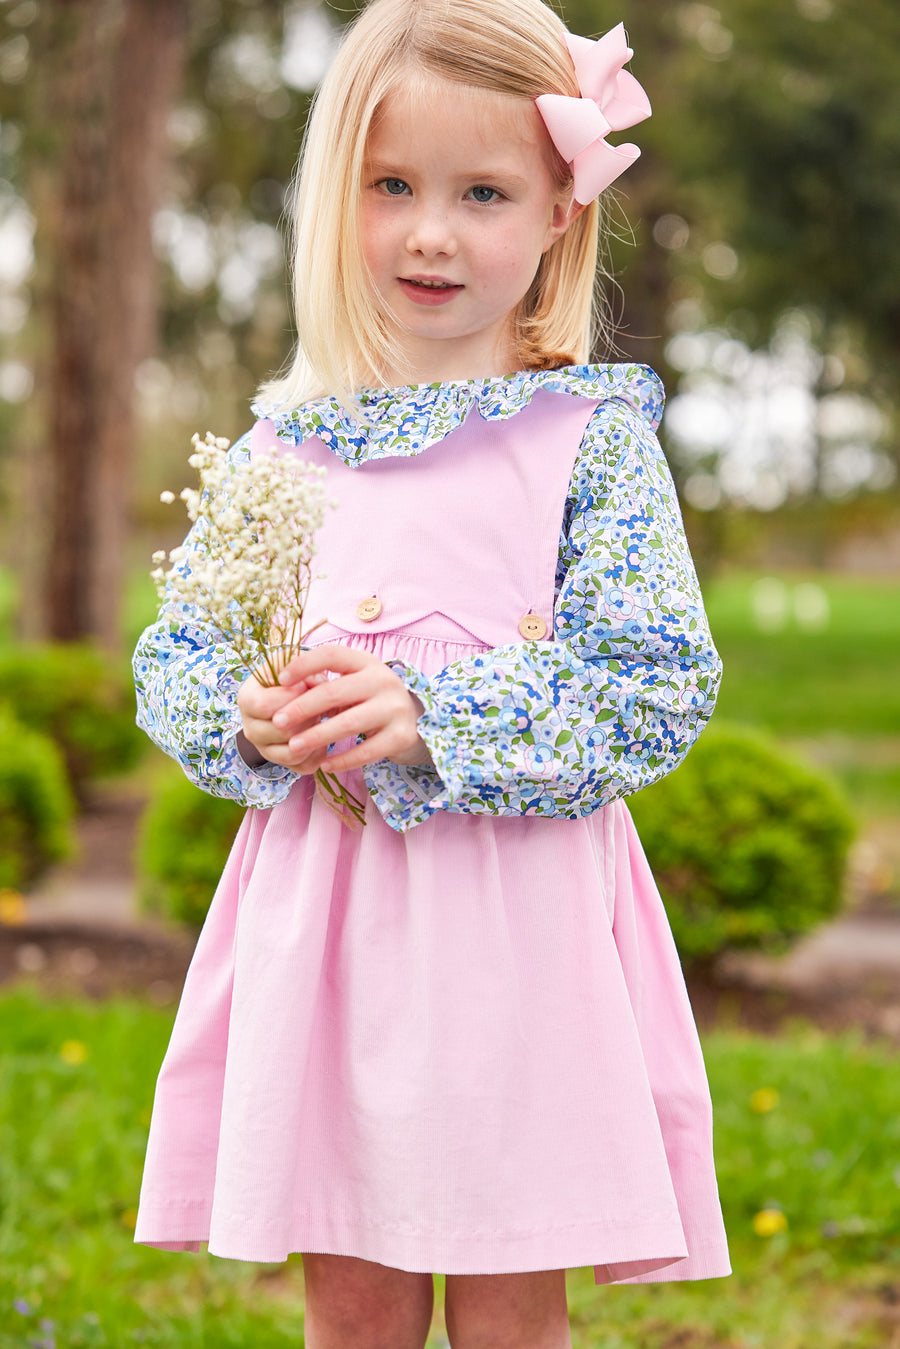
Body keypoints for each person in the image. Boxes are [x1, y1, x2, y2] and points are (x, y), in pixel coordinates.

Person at [132, 0, 731, 1344]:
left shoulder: (590, 439)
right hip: (331, 939)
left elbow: (652, 682)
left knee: (511, 1311)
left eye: (482, 191)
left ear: (560, 213)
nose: (431, 231)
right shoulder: (286, 443)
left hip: (515, 935)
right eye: (390, 185)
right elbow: (172, 650)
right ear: (334, 191)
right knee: (354, 1307)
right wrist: (241, 712)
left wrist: (432, 711)